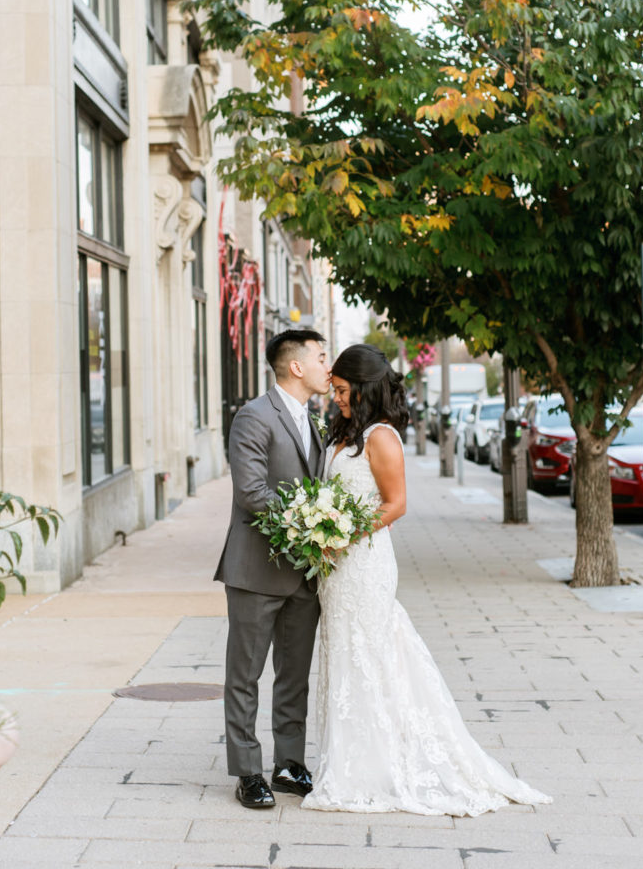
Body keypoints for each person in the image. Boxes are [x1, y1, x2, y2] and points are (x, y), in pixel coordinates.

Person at [302, 344, 552, 815]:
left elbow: (395, 505)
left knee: (369, 653)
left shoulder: (381, 436)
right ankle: (354, 757)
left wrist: (341, 533)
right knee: (346, 653)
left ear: (363, 387)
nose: (334, 397)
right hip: (337, 570)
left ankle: (377, 764)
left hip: (364, 562)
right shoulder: (345, 431)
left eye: (340, 390)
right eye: (333, 389)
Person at [215, 329, 331, 809]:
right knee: (245, 675)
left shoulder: (317, 420)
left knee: (294, 675)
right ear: (297, 366)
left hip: (303, 574)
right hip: (257, 570)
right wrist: (309, 528)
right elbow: (252, 492)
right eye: (322, 356)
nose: (330, 365)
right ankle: (247, 772)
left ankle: (288, 764)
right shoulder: (253, 416)